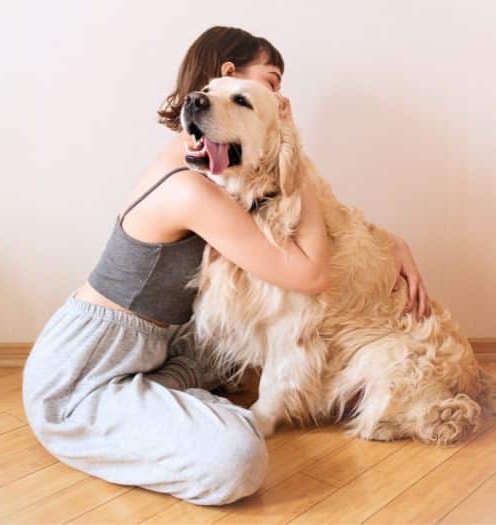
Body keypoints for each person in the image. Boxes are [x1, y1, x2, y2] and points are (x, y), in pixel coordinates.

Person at [22, 26, 431, 507]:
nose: (282, 99)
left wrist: (392, 242)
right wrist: (288, 136)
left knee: (245, 352)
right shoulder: (192, 184)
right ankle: (112, 422)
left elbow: (304, 204)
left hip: (156, 353)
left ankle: (165, 406)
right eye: (273, 83)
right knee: (238, 460)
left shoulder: (219, 167)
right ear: (228, 78)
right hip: (85, 372)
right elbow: (311, 272)